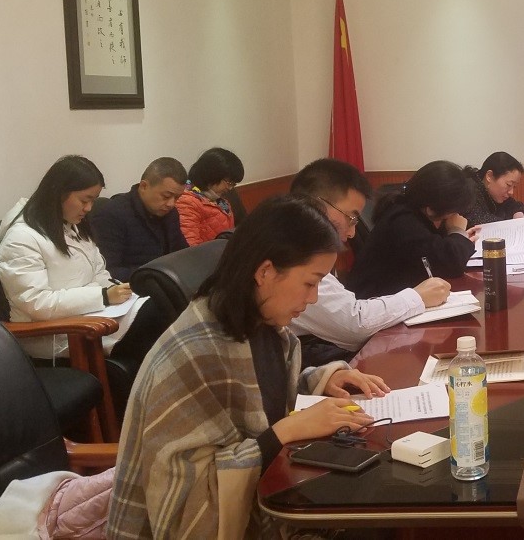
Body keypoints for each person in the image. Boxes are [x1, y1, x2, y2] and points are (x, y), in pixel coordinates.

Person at [108, 194, 392, 538]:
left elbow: (260, 399)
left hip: (268, 497)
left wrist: (321, 380)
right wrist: (282, 434)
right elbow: (183, 506)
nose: (314, 297)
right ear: (265, 272)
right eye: (310, 282)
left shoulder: (263, 325)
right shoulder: (195, 353)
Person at [0, 156, 163, 365]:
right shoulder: (21, 239)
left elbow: (98, 271)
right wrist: (103, 296)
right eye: (85, 200)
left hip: (88, 315)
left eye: (93, 200)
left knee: (159, 304)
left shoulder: (72, 225)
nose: (89, 208)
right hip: (54, 334)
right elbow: (37, 303)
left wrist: (117, 290)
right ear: (59, 193)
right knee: (153, 318)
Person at [286, 158, 452, 366]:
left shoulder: (311, 248)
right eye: (351, 218)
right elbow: (354, 325)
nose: (352, 233)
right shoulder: (292, 254)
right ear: (317, 205)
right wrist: (417, 297)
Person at [347, 161, 479, 298]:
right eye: (453, 211)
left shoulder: (405, 207)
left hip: (392, 296)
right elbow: (451, 264)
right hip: (373, 302)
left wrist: (457, 240)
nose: (455, 215)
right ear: (431, 209)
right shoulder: (403, 221)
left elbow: (435, 249)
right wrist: (457, 232)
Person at [90, 157, 189, 281]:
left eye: (177, 198)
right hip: (132, 286)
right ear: (143, 186)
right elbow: (107, 270)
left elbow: (182, 254)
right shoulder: (112, 214)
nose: (171, 204)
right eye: (166, 196)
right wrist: (156, 275)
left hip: (165, 281)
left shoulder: (171, 214)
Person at [176, 146, 244, 245]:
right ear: (212, 174)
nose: (230, 188)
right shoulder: (187, 201)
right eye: (229, 182)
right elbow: (191, 246)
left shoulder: (218, 198)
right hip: (208, 254)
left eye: (233, 184)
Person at [460, 151, 524, 226]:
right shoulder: (467, 191)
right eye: (509, 184)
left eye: (514, 187)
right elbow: (481, 222)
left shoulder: (496, 194)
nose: (511, 192)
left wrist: (519, 212)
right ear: (489, 176)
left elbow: (514, 205)